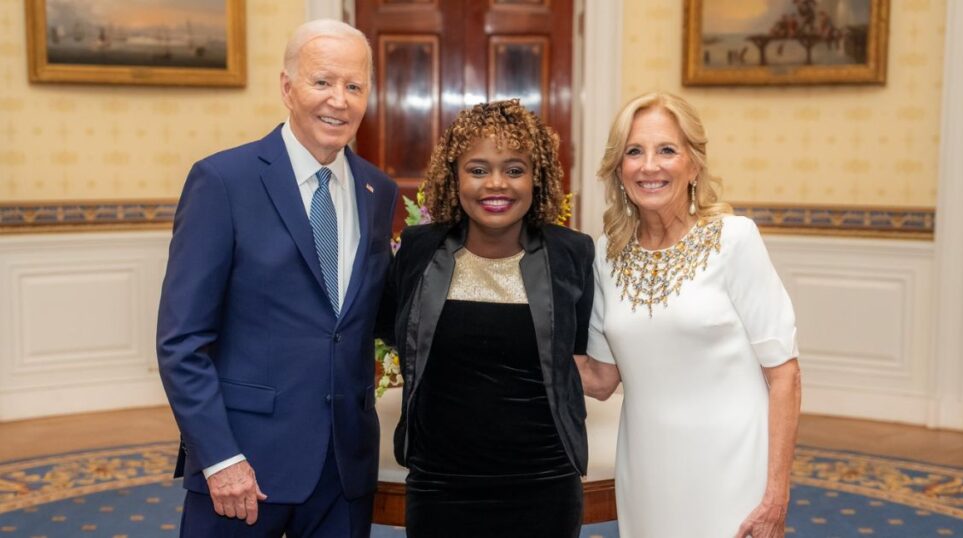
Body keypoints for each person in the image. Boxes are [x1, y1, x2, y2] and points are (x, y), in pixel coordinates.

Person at [156, 19, 397, 537]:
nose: (339, 100)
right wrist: (219, 458)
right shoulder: (222, 181)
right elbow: (182, 341)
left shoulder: (378, 191)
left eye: (354, 86)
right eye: (322, 82)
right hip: (244, 470)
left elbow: (373, 319)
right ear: (287, 88)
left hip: (344, 469)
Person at [575, 91, 802, 538]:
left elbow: (785, 375)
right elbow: (601, 379)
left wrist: (777, 493)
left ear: (693, 164)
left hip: (734, 463)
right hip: (646, 465)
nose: (649, 166)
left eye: (667, 151)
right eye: (634, 152)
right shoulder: (607, 255)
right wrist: (511, 335)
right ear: (619, 169)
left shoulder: (734, 240)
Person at [377, 99, 594, 538]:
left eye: (515, 169)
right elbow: (389, 330)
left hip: (544, 484)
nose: (496, 184)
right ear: (454, 176)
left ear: (539, 178)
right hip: (440, 486)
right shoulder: (419, 250)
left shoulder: (570, 254)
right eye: (478, 170)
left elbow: (583, 351)